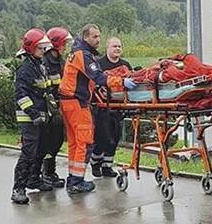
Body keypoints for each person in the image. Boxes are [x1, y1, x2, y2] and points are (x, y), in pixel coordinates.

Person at [58, 24, 137, 193]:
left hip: (68, 102)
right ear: (85, 37)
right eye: (94, 37)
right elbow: (98, 77)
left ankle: (73, 178)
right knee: (84, 143)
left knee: (74, 143)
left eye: (99, 36)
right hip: (77, 102)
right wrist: (121, 82)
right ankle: (77, 181)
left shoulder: (76, 53)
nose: (98, 40)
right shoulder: (83, 55)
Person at [11, 29, 55, 204]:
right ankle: (18, 188)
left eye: (44, 48)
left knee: (41, 150)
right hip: (29, 118)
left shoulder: (39, 65)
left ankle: (33, 180)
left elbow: (45, 89)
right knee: (28, 153)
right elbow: (21, 95)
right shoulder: (25, 69)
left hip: (42, 115)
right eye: (40, 48)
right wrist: (34, 114)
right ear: (31, 48)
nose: (43, 51)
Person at [90, 37, 133, 178]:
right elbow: (94, 81)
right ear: (107, 48)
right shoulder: (99, 64)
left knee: (114, 137)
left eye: (119, 46)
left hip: (119, 106)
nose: (117, 49)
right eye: (114, 46)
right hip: (102, 106)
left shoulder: (125, 64)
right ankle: (96, 164)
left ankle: (107, 166)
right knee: (102, 137)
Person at [40, 27, 73, 188]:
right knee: (49, 141)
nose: (65, 47)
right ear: (56, 44)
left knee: (57, 140)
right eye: (63, 44)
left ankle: (49, 172)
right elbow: (46, 88)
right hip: (49, 108)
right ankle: (46, 172)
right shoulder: (45, 62)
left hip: (59, 106)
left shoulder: (60, 61)